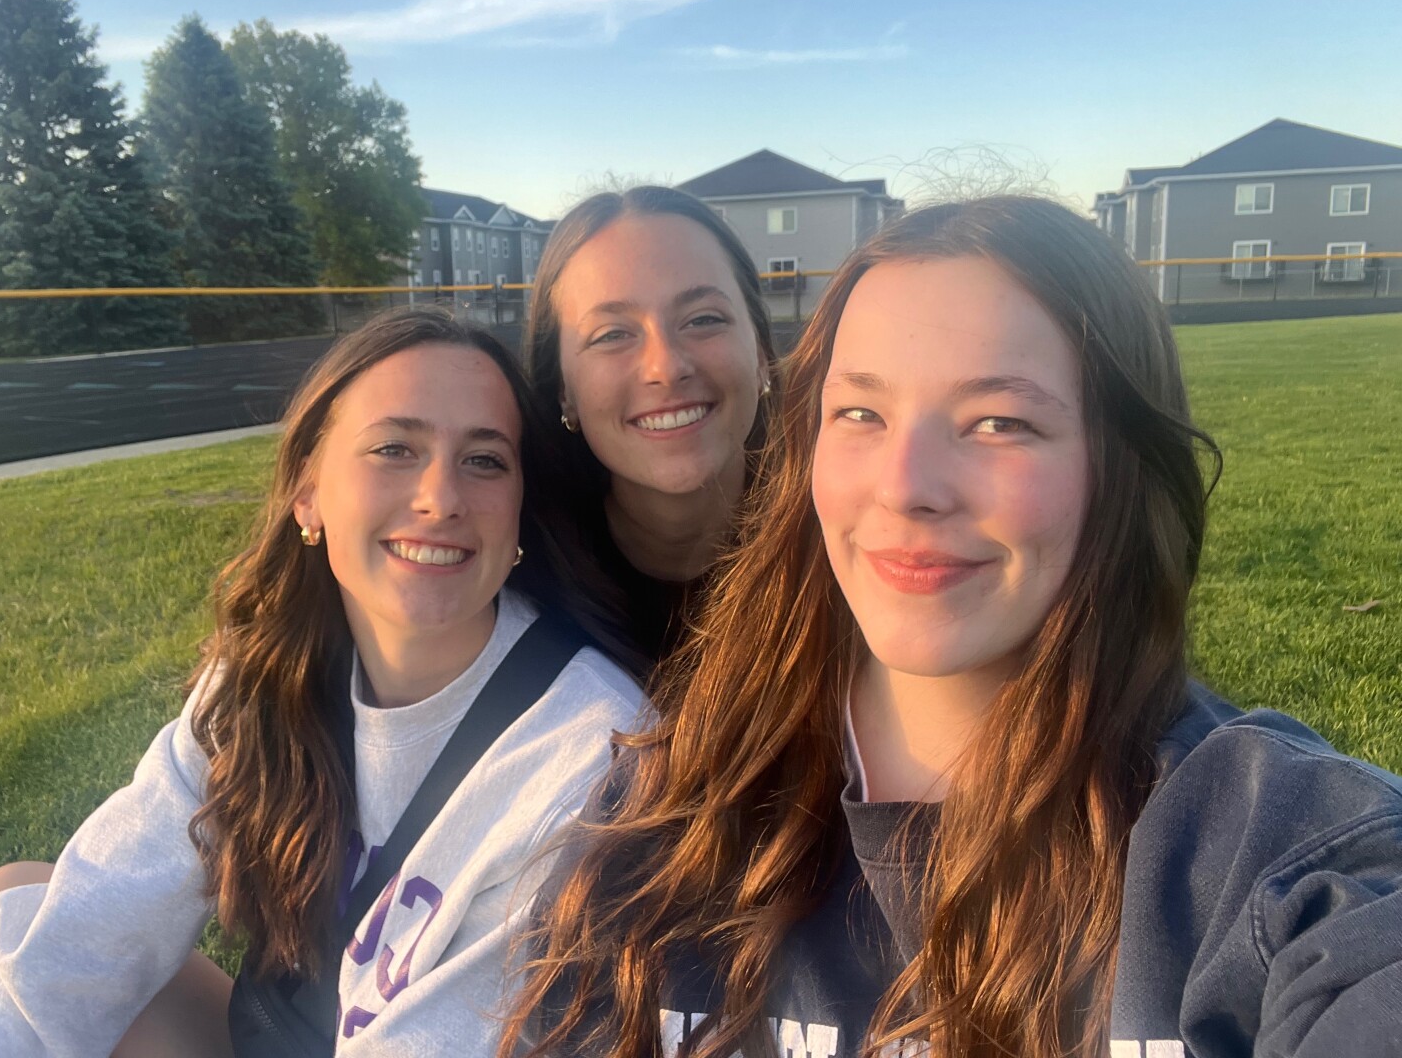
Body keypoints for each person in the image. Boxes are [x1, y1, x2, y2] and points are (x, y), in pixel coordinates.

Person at [503, 197, 1402, 1058]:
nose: (906, 486)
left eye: (998, 422)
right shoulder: (664, 804)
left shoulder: (1269, 849)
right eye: (861, 412)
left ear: (1122, 465)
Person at [0, 308, 645, 1057]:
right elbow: (88, 927)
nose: (440, 498)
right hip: (292, 1032)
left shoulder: (587, 750)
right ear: (308, 493)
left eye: (484, 461)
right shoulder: (267, 674)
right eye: (394, 448)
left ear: (518, 510)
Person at [524, 186, 777, 660]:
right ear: (563, 391)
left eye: (702, 319)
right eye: (611, 334)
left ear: (761, 354)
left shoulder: (846, 553)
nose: (666, 367)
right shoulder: (516, 581)